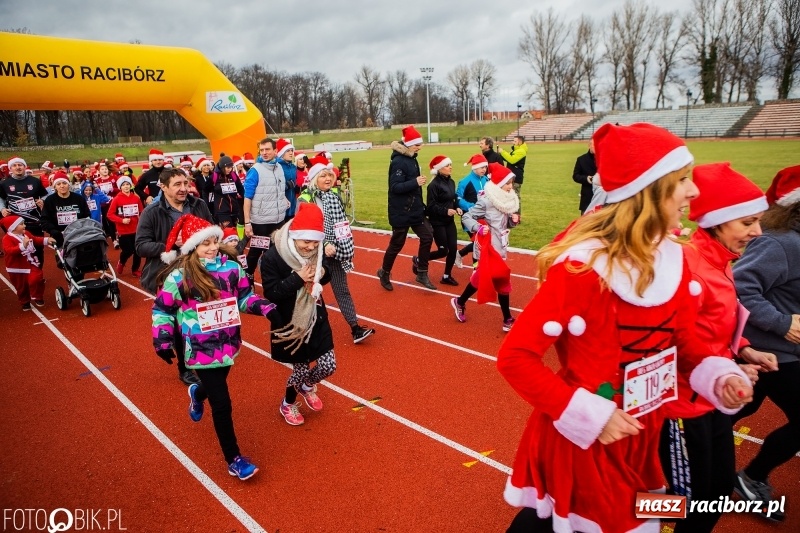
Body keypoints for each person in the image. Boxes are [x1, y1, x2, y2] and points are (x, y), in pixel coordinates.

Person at [498, 123, 752, 533]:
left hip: (644, 436)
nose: (694, 192)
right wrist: (588, 414)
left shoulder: (676, 259)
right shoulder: (582, 270)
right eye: (682, 179)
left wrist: (717, 373)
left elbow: (683, 342)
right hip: (587, 439)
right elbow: (515, 358)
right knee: (614, 522)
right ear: (648, 189)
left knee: (628, 516)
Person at [658, 162, 776, 532]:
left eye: (758, 221)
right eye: (747, 223)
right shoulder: (690, 266)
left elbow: (714, 324)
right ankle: (626, 517)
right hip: (680, 404)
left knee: (717, 491)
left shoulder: (721, 261)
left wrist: (743, 349)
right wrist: (730, 370)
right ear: (718, 221)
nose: (757, 232)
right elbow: (670, 341)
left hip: (711, 398)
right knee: (684, 504)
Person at [152, 214, 277, 480]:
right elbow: (162, 309)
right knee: (223, 404)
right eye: (203, 243)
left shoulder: (231, 268)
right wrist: (162, 339)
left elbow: (244, 296)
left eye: (214, 241)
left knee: (214, 388)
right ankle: (234, 459)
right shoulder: (180, 276)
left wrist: (265, 307)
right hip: (199, 350)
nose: (210, 247)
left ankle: (198, 393)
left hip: (229, 345)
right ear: (191, 247)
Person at [731, 164, 800, 521]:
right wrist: (783, 322)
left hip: (783, 352)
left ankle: (684, 441)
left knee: (741, 405)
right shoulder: (783, 242)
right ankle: (751, 478)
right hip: (771, 350)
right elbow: (740, 287)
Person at [260, 202, 337, 426]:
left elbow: (325, 275)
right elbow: (272, 293)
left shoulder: (317, 250)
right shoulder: (273, 257)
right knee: (300, 370)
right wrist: (298, 277)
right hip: (291, 322)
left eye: (315, 241)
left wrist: (321, 273)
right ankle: (288, 403)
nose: (310, 246)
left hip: (316, 315)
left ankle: (306, 386)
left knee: (328, 366)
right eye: (306, 241)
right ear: (294, 236)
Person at [136, 168, 213, 386]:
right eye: (177, 184)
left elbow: (210, 229)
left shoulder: (199, 205)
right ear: (163, 187)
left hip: (199, 270)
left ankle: (204, 351)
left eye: (185, 183)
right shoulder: (151, 212)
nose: (183, 189)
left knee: (200, 317)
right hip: (168, 274)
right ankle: (185, 368)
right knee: (179, 323)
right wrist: (172, 246)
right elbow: (141, 246)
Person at [299, 155, 376, 344]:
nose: (327, 179)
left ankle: (355, 328)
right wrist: (324, 244)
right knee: (309, 291)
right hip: (314, 253)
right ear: (314, 177)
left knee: (342, 290)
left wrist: (343, 245)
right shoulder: (307, 198)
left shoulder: (334, 197)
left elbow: (340, 224)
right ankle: (301, 327)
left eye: (329, 175)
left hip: (336, 252)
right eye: (323, 175)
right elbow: (305, 227)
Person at [450, 163, 519, 331]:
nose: (511, 187)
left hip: (500, 246)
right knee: (502, 279)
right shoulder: (487, 201)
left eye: (512, 183)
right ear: (498, 184)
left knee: (481, 279)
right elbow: (467, 217)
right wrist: (478, 227)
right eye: (508, 183)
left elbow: (504, 224)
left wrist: (513, 221)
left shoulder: (507, 201)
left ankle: (459, 302)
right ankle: (507, 319)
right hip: (487, 248)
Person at [377, 125, 437, 291]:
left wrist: (421, 204)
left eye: (420, 144)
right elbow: (394, 187)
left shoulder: (412, 158)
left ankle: (422, 273)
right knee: (397, 244)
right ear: (408, 144)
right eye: (417, 144)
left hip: (415, 209)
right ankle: (385, 272)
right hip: (400, 210)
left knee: (427, 236)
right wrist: (415, 182)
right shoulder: (398, 161)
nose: (420, 147)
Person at [242, 138, 288, 280]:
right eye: (262, 150)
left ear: (275, 151)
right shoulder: (255, 171)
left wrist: (284, 199)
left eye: (267, 149)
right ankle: (247, 280)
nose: (264, 153)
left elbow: (279, 189)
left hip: (278, 219)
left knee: (277, 252)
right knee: (255, 252)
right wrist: (247, 223)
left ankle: (272, 279)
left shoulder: (279, 167)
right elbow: (247, 198)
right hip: (261, 222)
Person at [0, 155, 49, 266]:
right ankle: (24, 275)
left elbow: (45, 195)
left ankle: (38, 272)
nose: (18, 167)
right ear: (10, 168)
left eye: (20, 165)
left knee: (38, 248)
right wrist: (2, 208)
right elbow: (1, 198)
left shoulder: (35, 181)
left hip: (34, 222)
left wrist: (43, 201)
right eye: (14, 165)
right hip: (15, 224)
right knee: (19, 250)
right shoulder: (4, 183)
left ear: (24, 166)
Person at [2, 216, 55, 310]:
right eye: (21, 224)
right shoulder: (7, 239)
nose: (24, 226)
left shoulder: (26, 234)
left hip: (30, 263)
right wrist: (23, 246)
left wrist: (46, 240)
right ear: (13, 227)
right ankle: (25, 301)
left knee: (37, 278)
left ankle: (37, 296)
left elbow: (35, 239)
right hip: (16, 268)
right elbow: (10, 251)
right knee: (21, 286)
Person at [425, 155, 461, 285]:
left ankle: (446, 276)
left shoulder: (451, 182)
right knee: (442, 251)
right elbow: (430, 206)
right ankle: (421, 259)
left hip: (449, 222)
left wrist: (457, 207)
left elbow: (453, 199)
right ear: (439, 169)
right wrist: (445, 211)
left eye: (450, 164)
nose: (450, 167)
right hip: (438, 222)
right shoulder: (433, 185)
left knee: (452, 249)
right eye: (447, 165)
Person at [455, 154, 490, 268]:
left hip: (485, 217)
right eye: (481, 167)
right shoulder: (465, 182)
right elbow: (458, 199)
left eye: (485, 167)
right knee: (478, 243)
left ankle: (460, 254)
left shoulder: (487, 180)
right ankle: (476, 269)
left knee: (480, 243)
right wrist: (472, 207)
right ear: (474, 167)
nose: (484, 170)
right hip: (470, 218)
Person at [40, 172, 91, 247]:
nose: (62, 186)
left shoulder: (79, 198)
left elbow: (87, 215)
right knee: (62, 258)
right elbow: (45, 220)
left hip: (79, 235)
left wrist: (81, 228)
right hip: (59, 237)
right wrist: (54, 231)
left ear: (69, 184)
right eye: (58, 184)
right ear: (55, 187)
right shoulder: (50, 200)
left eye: (64, 183)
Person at [107, 176, 144, 277]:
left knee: (137, 250)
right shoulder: (116, 199)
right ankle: (122, 262)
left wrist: (142, 222)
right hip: (123, 230)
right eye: (123, 185)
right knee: (128, 250)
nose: (126, 186)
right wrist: (121, 220)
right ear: (120, 187)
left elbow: (142, 212)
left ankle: (135, 269)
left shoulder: (136, 198)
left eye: (128, 184)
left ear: (131, 185)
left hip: (136, 229)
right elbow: (110, 214)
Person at [208, 155, 244, 229]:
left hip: (235, 210)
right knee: (228, 233)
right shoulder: (214, 177)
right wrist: (208, 205)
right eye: (227, 168)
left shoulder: (233, 175)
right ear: (222, 167)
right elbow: (205, 190)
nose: (229, 170)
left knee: (236, 233)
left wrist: (245, 201)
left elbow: (240, 189)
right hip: (222, 212)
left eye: (231, 167)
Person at [498, 135, 527, 212]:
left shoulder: (521, 151)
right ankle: (512, 214)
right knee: (510, 196)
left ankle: (517, 216)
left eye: (515, 141)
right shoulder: (516, 151)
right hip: (511, 176)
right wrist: (501, 154)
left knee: (515, 196)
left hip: (516, 177)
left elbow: (512, 160)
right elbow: (508, 157)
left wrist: (502, 152)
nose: (513, 142)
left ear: (519, 142)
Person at [275, 138, 298, 221]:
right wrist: (286, 186)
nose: (291, 153)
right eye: (288, 151)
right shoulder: (277, 166)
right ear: (281, 153)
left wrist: (297, 188)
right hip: (280, 208)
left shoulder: (293, 167)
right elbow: (273, 186)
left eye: (292, 150)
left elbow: (296, 182)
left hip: (292, 206)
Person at [572, 139, 597, 214]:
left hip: (602, 196)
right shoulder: (581, 159)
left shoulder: (605, 158)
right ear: (589, 145)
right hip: (587, 196)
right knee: (585, 222)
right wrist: (587, 179)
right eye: (594, 145)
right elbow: (576, 176)